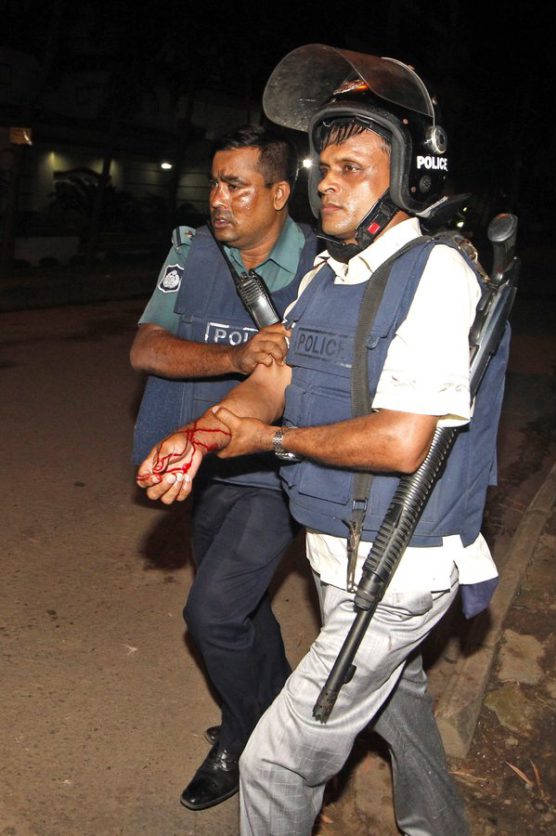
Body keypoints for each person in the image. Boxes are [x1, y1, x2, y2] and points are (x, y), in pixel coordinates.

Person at [137, 45, 509, 835]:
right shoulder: (324, 274)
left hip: (397, 565)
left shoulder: (436, 273)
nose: (327, 182)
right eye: (324, 165)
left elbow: (403, 440)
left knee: (277, 761)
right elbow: (273, 377)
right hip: (337, 551)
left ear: (410, 174)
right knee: (398, 706)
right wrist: (203, 437)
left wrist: (275, 439)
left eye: (352, 166)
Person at [130, 124, 317, 811]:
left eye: (235, 184)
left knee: (209, 613)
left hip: (272, 471)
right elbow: (147, 348)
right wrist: (235, 358)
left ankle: (248, 741)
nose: (218, 198)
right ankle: (279, 707)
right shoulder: (193, 253)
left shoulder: (321, 269)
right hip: (206, 470)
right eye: (213, 181)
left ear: (277, 192)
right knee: (236, 608)